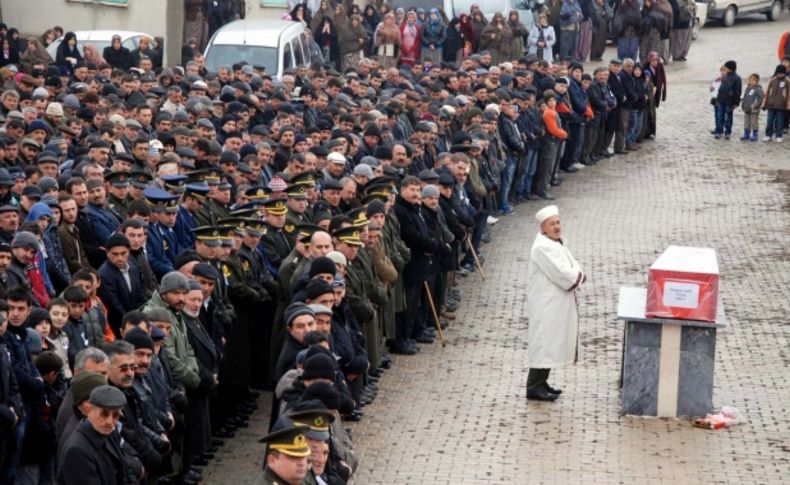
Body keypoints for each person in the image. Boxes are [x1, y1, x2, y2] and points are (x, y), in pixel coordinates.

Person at [525, 205, 585, 401]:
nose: (557, 227)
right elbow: (563, 272)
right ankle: (534, 386)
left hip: (554, 302)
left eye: (558, 222)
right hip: (546, 304)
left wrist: (576, 271)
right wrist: (578, 275)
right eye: (552, 224)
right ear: (543, 228)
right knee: (543, 344)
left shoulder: (556, 242)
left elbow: (572, 264)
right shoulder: (542, 247)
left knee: (550, 343)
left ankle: (542, 382)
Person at [56, 385, 128, 485]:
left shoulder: (109, 433)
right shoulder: (77, 451)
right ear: (89, 410)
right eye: (104, 414)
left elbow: (124, 470)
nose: (109, 421)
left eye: (115, 415)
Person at [713, 60, 742, 140]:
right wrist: (718, 99)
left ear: (730, 68)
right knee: (720, 116)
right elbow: (721, 88)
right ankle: (719, 131)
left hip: (730, 102)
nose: (725, 69)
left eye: (726, 67)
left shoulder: (737, 78)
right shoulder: (724, 76)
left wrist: (736, 102)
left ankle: (728, 132)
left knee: (728, 117)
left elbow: (738, 91)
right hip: (721, 100)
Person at [762, 64, 790, 143]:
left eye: (782, 73)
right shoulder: (772, 80)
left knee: (780, 121)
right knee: (769, 120)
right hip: (771, 105)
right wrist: (765, 104)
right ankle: (768, 135)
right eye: (778, 72)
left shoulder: (787, 81)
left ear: (785, 73)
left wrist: (788, 105)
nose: (780, 74)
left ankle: (779, 135)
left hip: (781, 106)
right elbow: (767, 93)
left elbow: (789, 95)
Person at [740, 73, 764, 142]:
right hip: (747, 109)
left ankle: (755, 133)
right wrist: (743, 105)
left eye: (753, 80)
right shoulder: (748, 88)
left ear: (756, 81)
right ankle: (746, 133)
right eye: (750, 80)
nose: (751, 81)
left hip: (754, 110)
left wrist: (755, 106)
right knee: (746, 121)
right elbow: (745, 97)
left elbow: (760, 99)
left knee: (754, 122)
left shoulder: (758, 89)